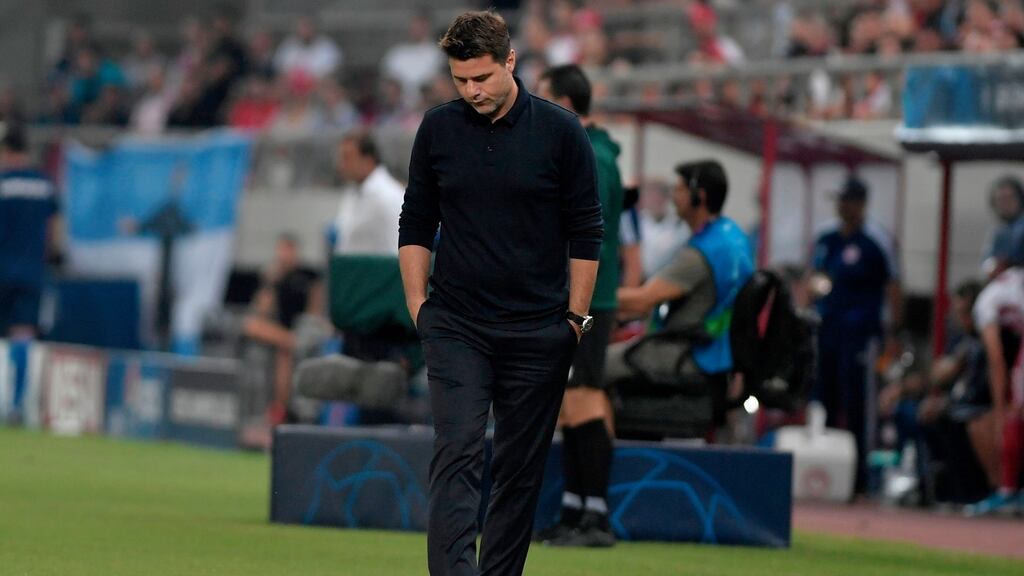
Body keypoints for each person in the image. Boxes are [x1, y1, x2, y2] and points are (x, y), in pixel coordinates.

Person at [398, 11, 603, 576]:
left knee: (520, 470)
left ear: (511, 62)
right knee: (457, 450)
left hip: (540, 330)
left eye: (482, 78)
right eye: (461, 80)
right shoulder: (438, 128)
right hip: (457, 325)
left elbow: (587, 231)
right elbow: (414, 223)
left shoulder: (562, 132)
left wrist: (575, 322)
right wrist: (421, 310)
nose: (472, 91)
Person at [534, 64, 622, 548]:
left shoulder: (594, 157)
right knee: (569, 404)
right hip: (575, 294)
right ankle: (574, 510)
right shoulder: (582, 150)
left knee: (585, 398)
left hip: (588, 297)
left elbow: (596, 237)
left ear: (564, 102)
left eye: (544, 97)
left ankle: (597, 516)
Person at [608, 159, 754, 434]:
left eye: (679, 190)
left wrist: (583, 297)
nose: (673, 197)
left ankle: (596, 466)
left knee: (594, 368)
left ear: (699, 196)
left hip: (693, 353)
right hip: (717, 354)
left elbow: (643, 300)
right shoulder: (732, 236)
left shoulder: (702, 253)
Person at [811, 175, 902, 495]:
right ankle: (829, 469)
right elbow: (815, 278)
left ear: (861, 204)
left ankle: (859, 478)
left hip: (861, 336)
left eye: (847, 200)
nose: (841, 207)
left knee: (858, 404)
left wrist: (893, 333)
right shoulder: (826, 238)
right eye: (839, 200)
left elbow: (893, 286)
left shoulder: (875, 240)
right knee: (826, 399)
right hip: (828, 333)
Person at [243, 234, 323, 425]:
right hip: (280, 333)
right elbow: (261, 312)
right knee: (253, 326)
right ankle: (288, 341)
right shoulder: (272, 278)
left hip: (302, 331)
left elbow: (315, 313)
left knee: (285, 352)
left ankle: (280, 409)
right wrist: (270, 283)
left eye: (288, 250)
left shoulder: (308, 277)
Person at [966, 266, 1024, 515]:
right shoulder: (1007, 287)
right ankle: (1009, 491)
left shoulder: (986, 302)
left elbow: (996, 359)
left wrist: (1000, 410)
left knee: (1011, 415)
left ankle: (1007, 492)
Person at [0, 124, 60, 339]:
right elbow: (55, 228)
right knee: (24, 331)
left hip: (3, 268)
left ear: (5, 151)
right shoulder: (44, 184)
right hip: (32, 271)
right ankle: (21, 373)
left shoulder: (3, 183)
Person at [332, 132, 404, 256]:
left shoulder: (388, 196)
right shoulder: (353, 192)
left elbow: (399, 248)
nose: (341, 166)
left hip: (378, 273)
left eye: (347, 158)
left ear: (368, 160)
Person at [981, 176, 1024, 279]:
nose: (1005, 204)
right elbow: (987, 263)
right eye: (1000, 199)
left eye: (1009, 198)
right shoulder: (998, 231)